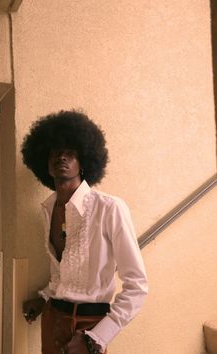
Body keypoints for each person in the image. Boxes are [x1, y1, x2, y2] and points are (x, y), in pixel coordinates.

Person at [21, 110, 148, 354]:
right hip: (52, 321)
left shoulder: (109, 208)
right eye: (54, 151)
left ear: (84, 161)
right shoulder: (48, 209)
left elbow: (137, 286)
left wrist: (96, 337)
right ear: (44, 164)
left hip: (89, 330)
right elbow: (62, 275)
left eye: (70, 151)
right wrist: (44, 298)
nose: (62, 156)